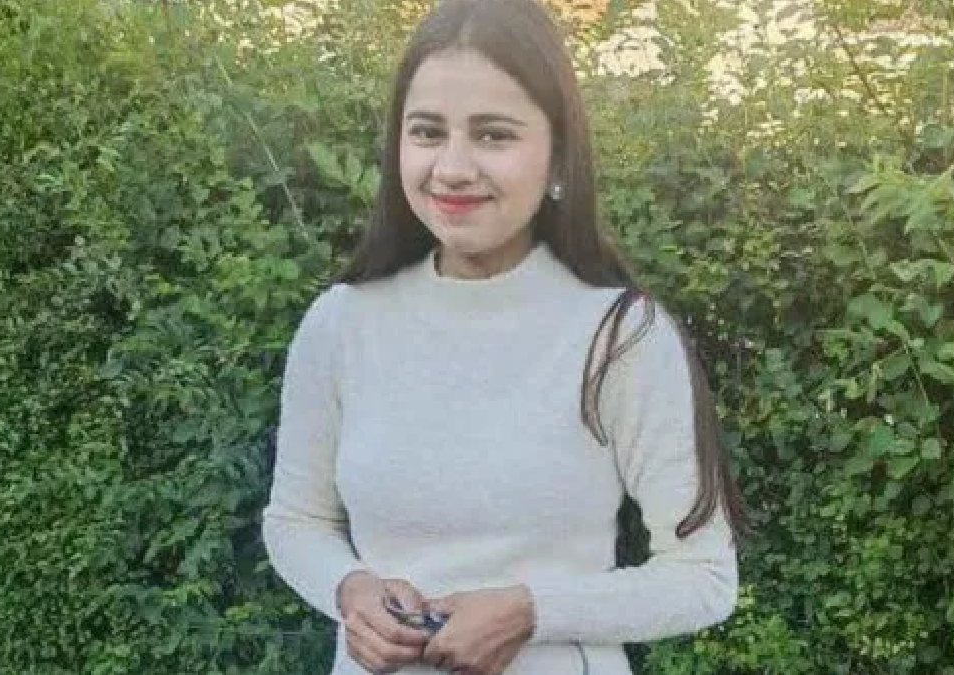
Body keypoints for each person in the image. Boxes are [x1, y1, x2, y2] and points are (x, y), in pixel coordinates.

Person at [261, 0, 750, 672]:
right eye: (427, 132)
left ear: (559, 157)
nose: (453, 167)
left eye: (493, 135)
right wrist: (349, 588)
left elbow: (703, 576)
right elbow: (296, 521)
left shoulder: (618, 335)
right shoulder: (341, 325)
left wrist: (532, 610)